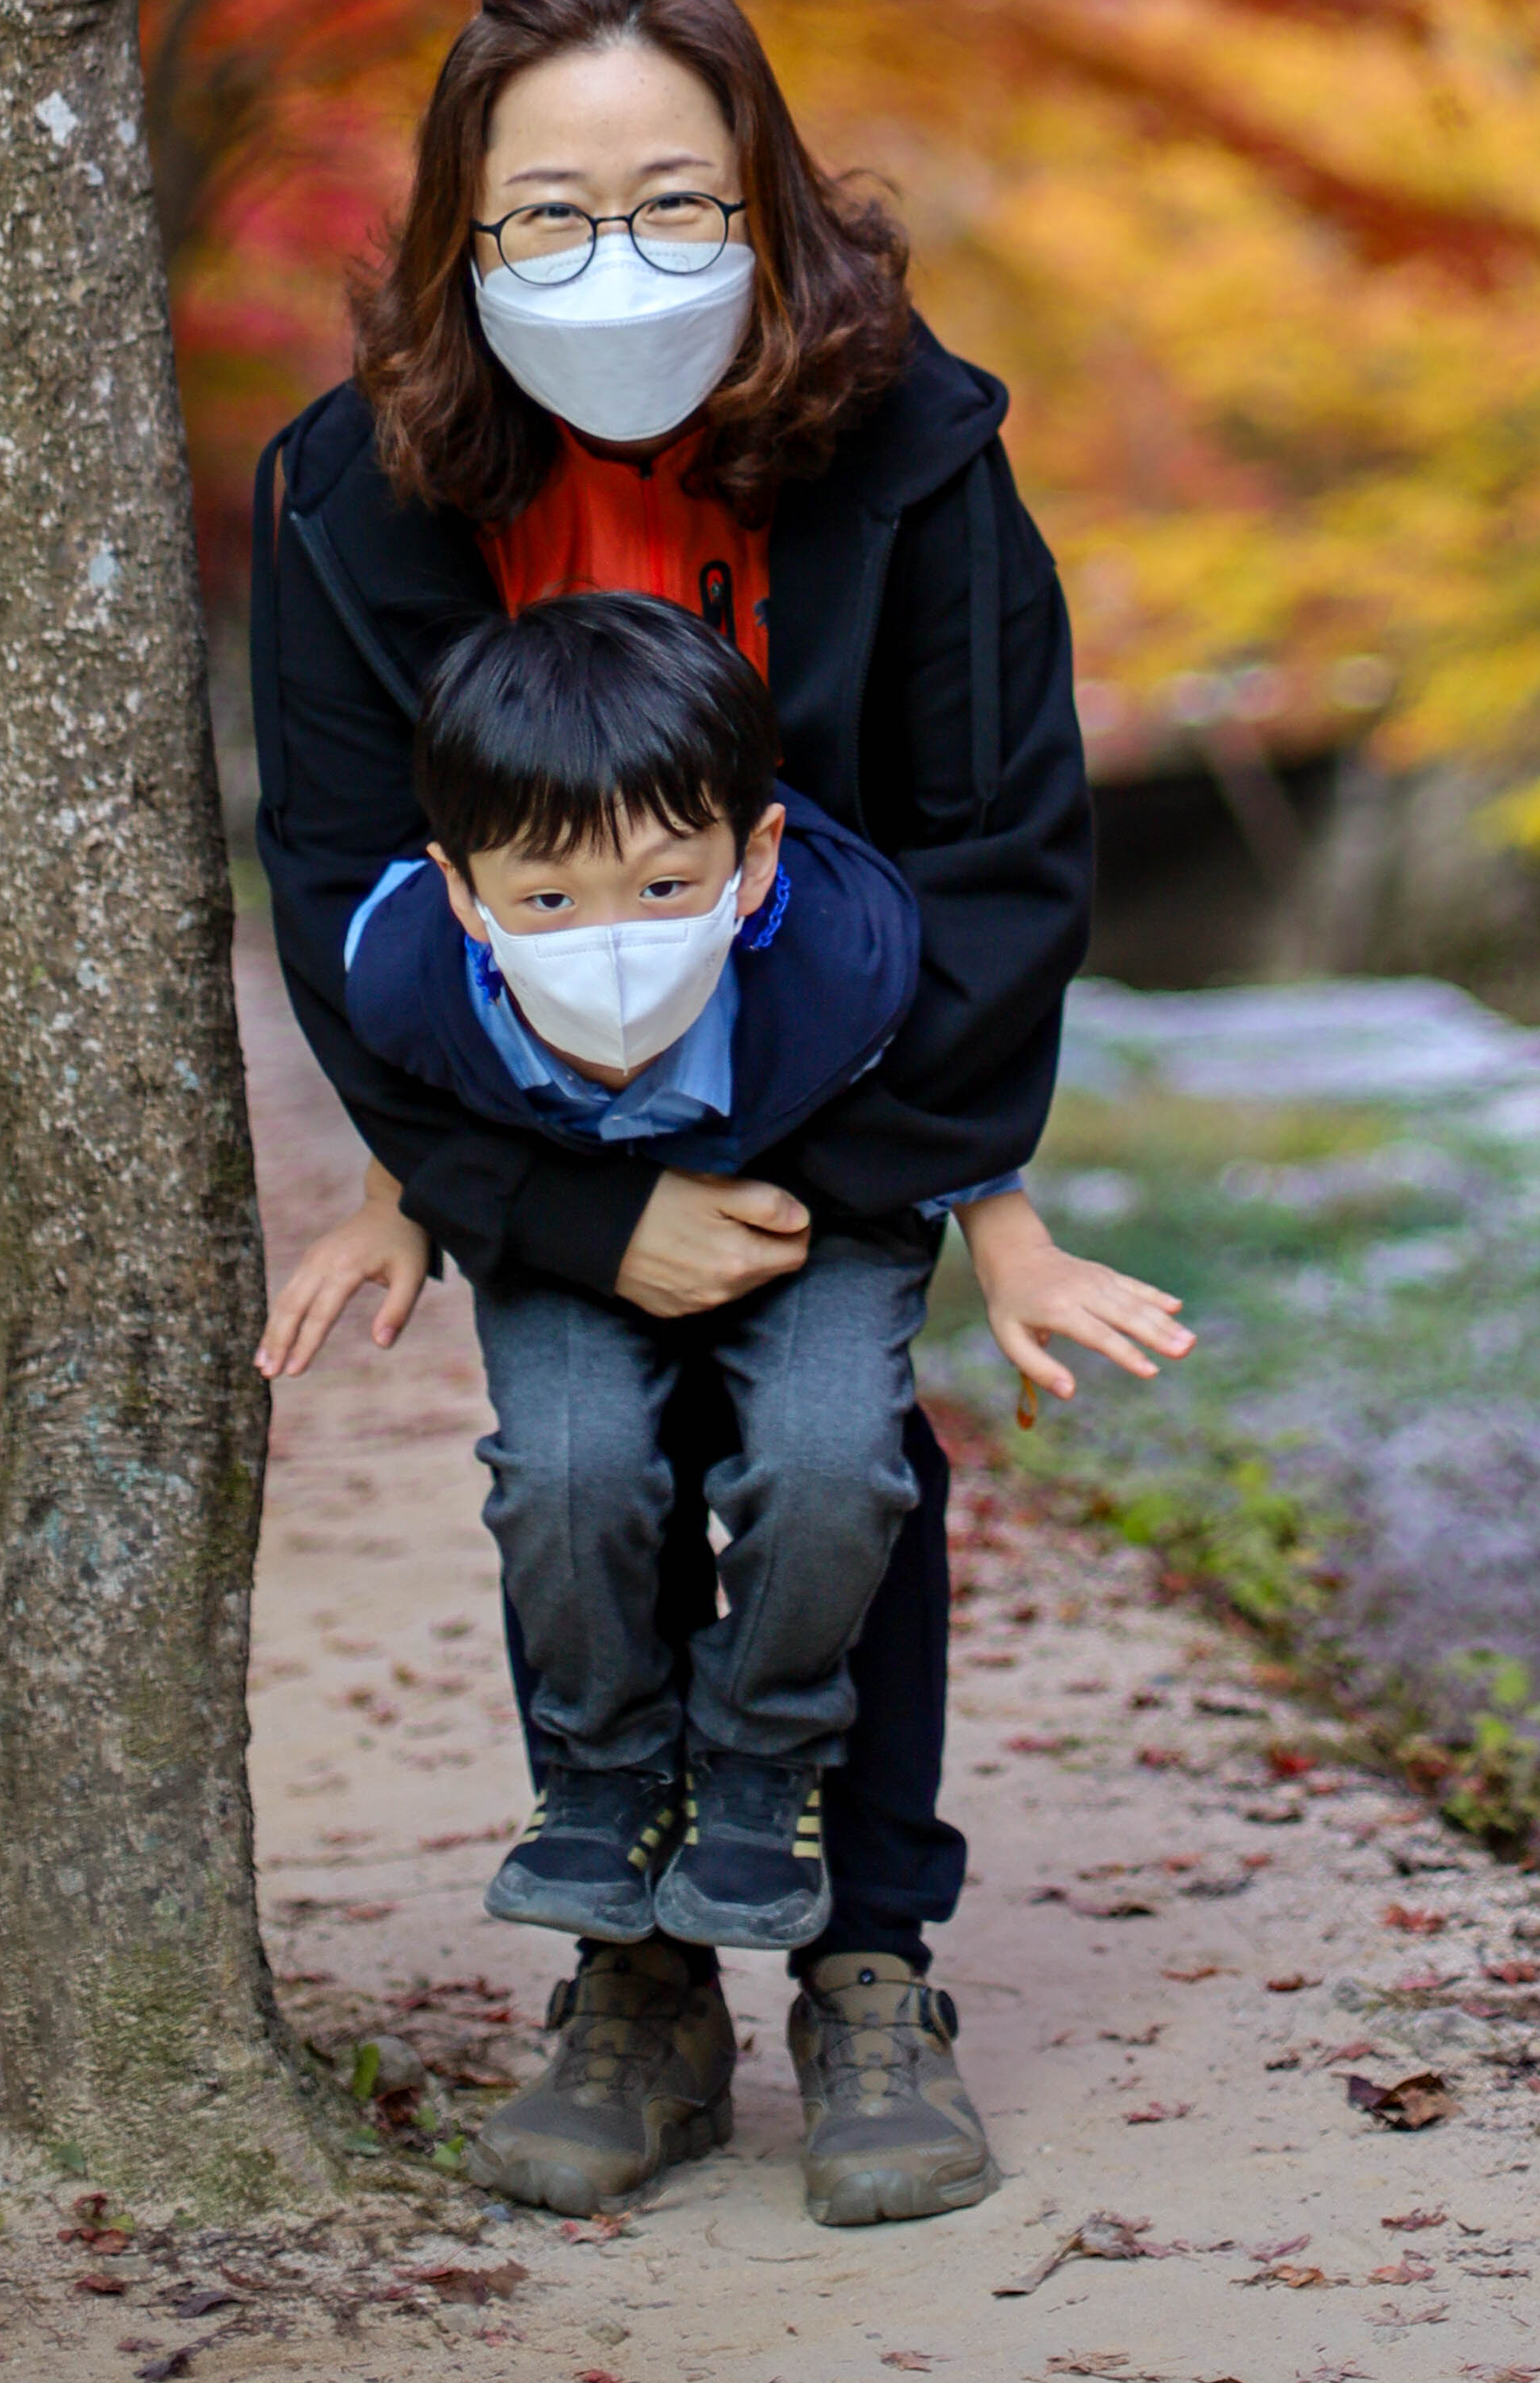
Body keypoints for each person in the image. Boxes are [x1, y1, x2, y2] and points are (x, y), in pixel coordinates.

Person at [251, 0, 1124, 2224]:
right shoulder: (353, 499)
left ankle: (866, 1962)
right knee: (579, 1475)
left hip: (845, 1092)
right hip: (545, 1131)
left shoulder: (914, 453)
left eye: (673, 197)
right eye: (547, 211)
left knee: (846, 1465)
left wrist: (862, 1182)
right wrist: (559, 1212)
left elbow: (1003, 845)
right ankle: (632, 1976)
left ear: (766, 203)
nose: (610, 254)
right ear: (460, 228)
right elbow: (346, 894)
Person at [262, 589, 1179, 1965]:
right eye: (550, 898)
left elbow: (940, 1102)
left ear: (753, 858)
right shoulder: (405, 970)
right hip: (565, 1221)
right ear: (462, 892)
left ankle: (761, 1753)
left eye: (662, 887)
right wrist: (387, 1208)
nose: (610, 935)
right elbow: (421, 1091)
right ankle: (607, 1767)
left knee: (831, 1461)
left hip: (819, 1212)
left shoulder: (848, 950)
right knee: (568, 1471)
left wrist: (1016, 1250)